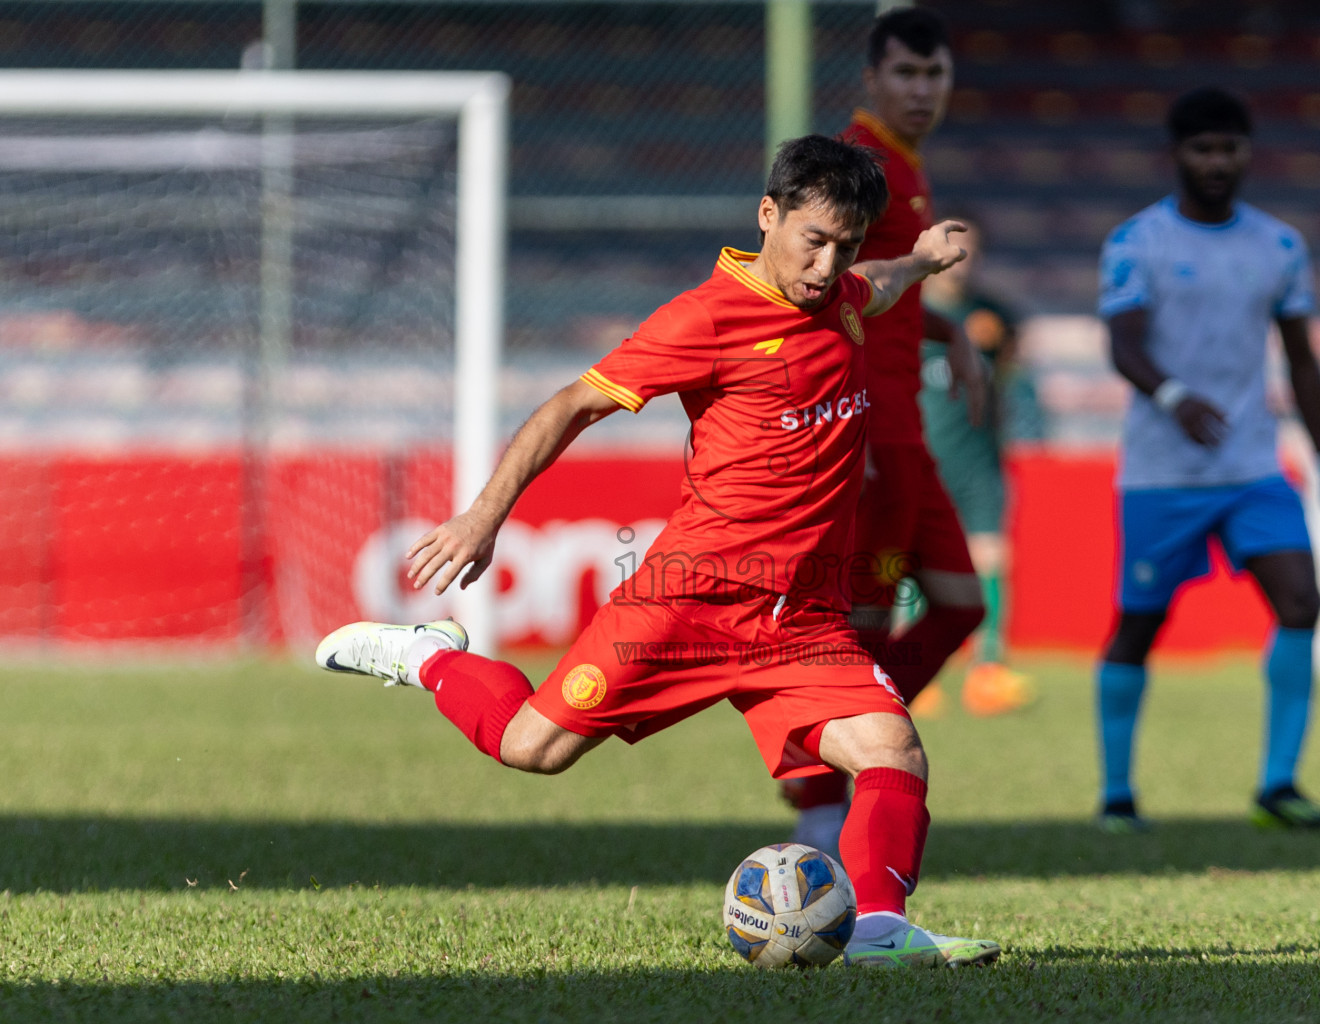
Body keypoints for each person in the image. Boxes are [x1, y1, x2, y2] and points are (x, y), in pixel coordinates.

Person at [316, 135, 1001, 968]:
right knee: (532, 749)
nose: (826, 266)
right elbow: (572, 404)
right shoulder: (705, 318)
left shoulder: (846, 295)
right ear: (768, 216)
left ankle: (881, 932)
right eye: (812, 241)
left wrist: (922, 259)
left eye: (845, 247)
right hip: (687, 603)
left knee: (893, 748)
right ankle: (427, 659)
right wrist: (481, 517)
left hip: (800, 616)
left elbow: (879, 285)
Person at [1094, 87, 1320, 834]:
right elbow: (1124, 344)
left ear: (1248, 152)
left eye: (1228, 148)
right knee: (1138, 627)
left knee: (1302, 602)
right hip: (1161, 474)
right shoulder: (1136, 243)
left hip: (1251, 468)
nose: (1216, 162)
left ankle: (1278, 784)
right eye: (1202, 149)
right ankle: (1118, 794)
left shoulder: (1278, 246)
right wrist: (1174, 397)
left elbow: (1303, 363)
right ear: (1176, 155)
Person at [784, 5, 991, 857]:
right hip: (870, 432)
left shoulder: (905, 167)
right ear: (872, 78)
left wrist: (952, 338)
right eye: (905, 73)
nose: (921, 89)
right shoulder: (861, 164)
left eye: (934, 74)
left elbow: (886, 292)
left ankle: (835, 749)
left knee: (960, 605)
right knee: (858, 626)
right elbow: (834, 285)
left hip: (910, 434)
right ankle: (818, 799)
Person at [917, 215, 1042, 717]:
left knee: (991, 559)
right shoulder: (901, 310)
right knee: (910, 567)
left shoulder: (994, 315)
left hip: (979, 460)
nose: (958, 261)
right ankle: (918, 674)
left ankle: (987, 671)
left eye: (969, 250)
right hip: (921, 458)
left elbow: (1011, 369)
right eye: (951, 247)